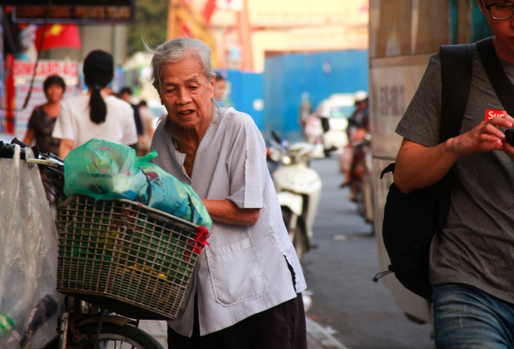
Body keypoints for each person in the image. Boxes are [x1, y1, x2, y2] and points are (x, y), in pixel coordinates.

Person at [394, 0, 514, 348]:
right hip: (469, 284)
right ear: (481, 1)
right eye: (502, 7)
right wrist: (458, 145)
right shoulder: (454, 69)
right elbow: (406, 176)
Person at [148, 38, 307, 349]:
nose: (182, 99)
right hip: (192, 302)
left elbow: (247, 212)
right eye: (171, 89)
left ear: (211, 84)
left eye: (192, 86)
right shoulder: (162, 139)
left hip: (259, 299)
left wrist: (179, 201)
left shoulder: (239, 128)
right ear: (159, 93)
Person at [53, 50, 137, 159]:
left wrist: (66, 174)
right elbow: (130, 148)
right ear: (111, 77)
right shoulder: (125, 108)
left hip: (78, 175)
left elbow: (66, 146)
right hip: (115, 175)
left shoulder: (68, 106)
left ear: (85, 74)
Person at [22, 75, 66, 156]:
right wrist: (21, 153)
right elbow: (28, 138)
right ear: (45, 90)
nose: (54, 91)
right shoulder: (38, 112)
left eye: (57, 87)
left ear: (63, 90)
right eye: (51, 87)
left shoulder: (67, 112)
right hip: (41, 161)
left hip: (63, 162)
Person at [340, 90, 370, 201]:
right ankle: (349, 181)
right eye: (358, 103)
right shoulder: (355, 115)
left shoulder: (369, 113)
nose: (360, 105)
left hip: (367, 145)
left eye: (361, 102)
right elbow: (349, 129)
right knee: (346, 158)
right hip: (357, 145)